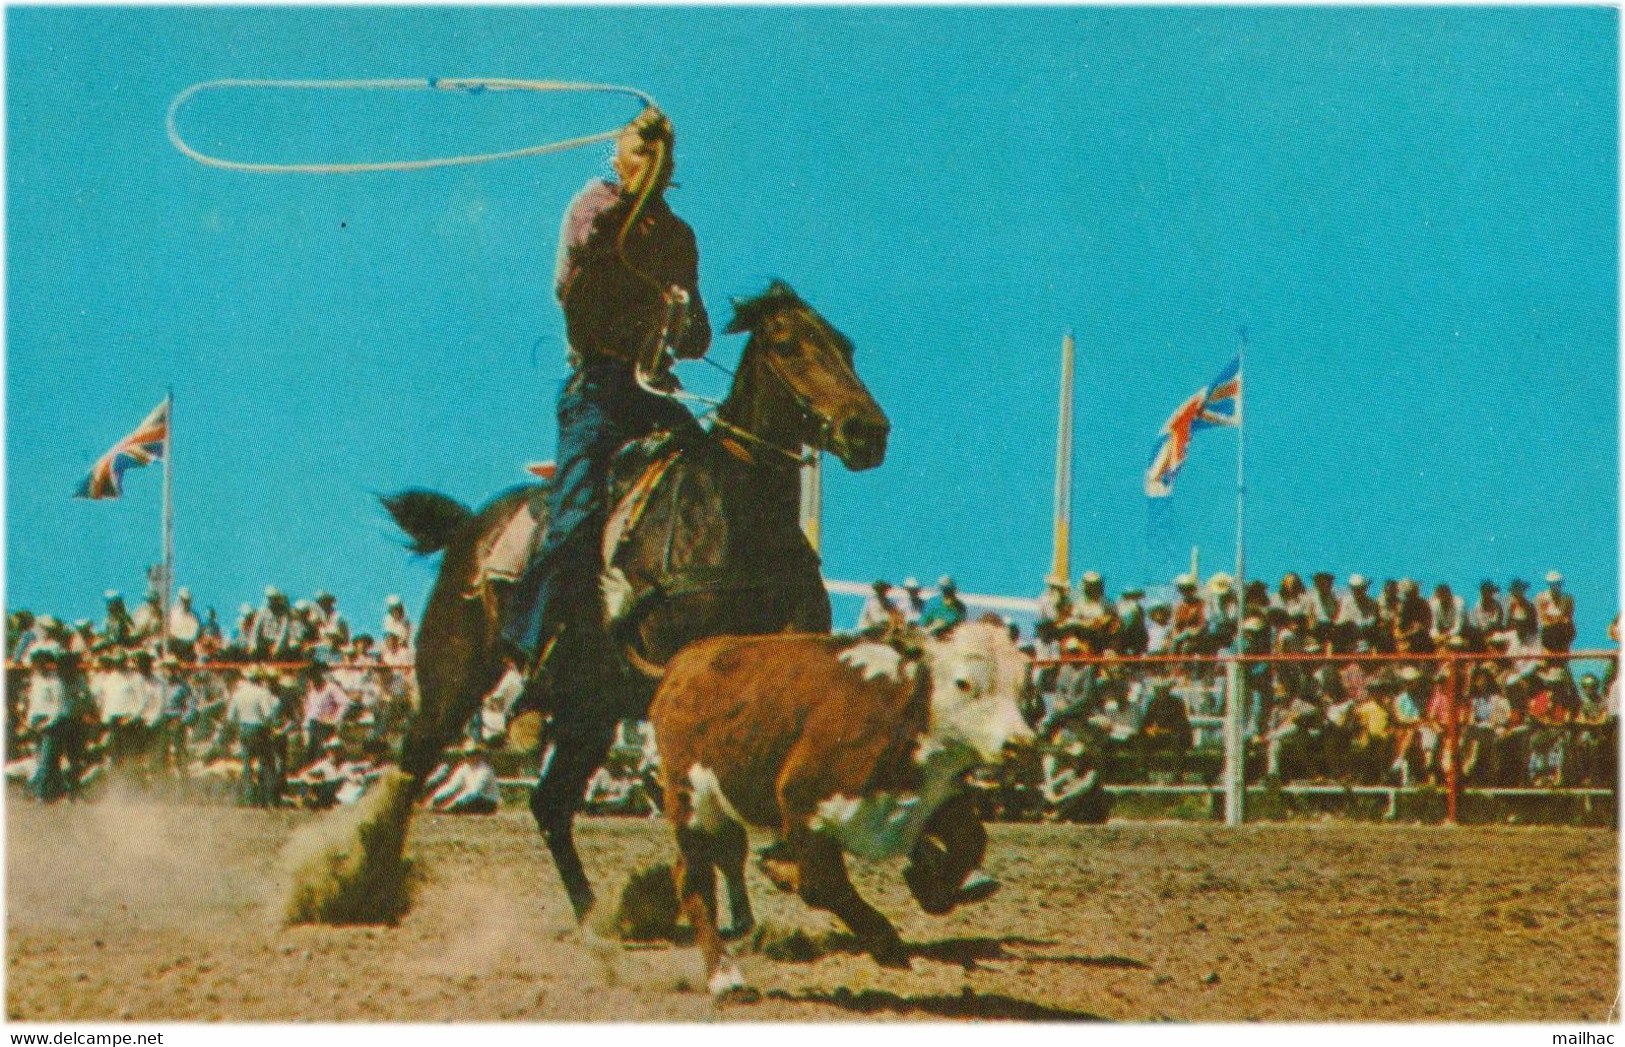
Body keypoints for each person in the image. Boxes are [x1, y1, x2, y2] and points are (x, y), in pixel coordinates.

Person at [505, 104, 710, 668]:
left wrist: (683, 312)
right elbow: (573, 284)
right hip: (598, 386)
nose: (652, 162)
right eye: (641, 150)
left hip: (656, 392)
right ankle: (533, 652)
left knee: (713, 479)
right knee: (576, 515)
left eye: (659, 154)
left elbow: (698, 341)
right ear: (617, 156)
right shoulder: (594, 204)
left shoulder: (678, 236)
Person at [428, 740, 501, 814]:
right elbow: (452, 786)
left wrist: (453, 803)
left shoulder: (485, 770)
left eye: (473, 754)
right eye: (468, 754)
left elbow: (475, 791)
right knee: (461, 800)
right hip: (469, 798)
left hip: (487, 802)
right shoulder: (463, 768)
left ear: (479, 754)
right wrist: (436, 797)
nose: (470, 757)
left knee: (474, 797)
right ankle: (448, 809)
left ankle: (449, 810)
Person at [1536, 571, 1576, 653]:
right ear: (1549, 584)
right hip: (1548, 636)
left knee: (1563, 658)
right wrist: (1558, 619)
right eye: (1552, 584)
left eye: (1557, 583)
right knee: (1547, 657)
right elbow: (1544, 619)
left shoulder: (1568, 599)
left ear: (1561, 584)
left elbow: (1568, 619)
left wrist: (1554, 619)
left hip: (1563, 635)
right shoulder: (1542, 597)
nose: (1555, 586)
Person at [167, 587, 201, 661]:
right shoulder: (171, 614)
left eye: (186, 601)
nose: (184, 603)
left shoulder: (194, 617)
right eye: (182, 600)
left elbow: (195, 636)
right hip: (174, 645)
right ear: (179, 600)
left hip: (188, 647)